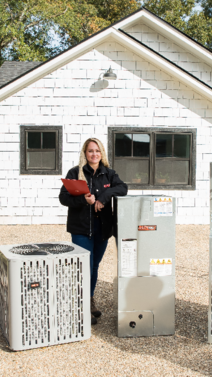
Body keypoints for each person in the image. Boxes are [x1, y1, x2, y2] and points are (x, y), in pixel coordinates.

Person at [59, 138, 128, 325]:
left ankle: (88, 300)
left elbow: (123, 188)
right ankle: (82, 306)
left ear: (102, 153)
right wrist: (84, 200)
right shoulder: (75, 173)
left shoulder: (109, 173)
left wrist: (103, 197)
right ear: (85, 153)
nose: (94, 154)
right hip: (81, 229)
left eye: (97, 151)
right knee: (84, 267)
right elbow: (63, 198)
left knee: (94, 266)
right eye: (90, 151)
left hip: (102, 230)